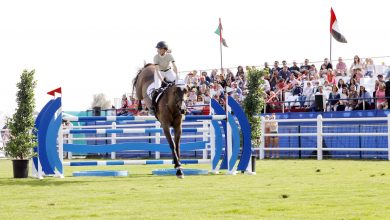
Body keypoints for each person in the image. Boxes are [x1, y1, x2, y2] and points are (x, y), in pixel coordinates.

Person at [150, 41, 179, 114]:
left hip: (169, 71)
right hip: (159, 72)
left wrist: (177, 77)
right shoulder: (156, 57)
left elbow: (175, 67)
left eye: (160, 49)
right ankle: (153, 106)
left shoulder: (169, 56)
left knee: (177, 84)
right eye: (158, 49)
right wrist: (161, 80)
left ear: (164, 49)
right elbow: (157, 70)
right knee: (157, 88)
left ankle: (180, 104)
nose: (158, 50)